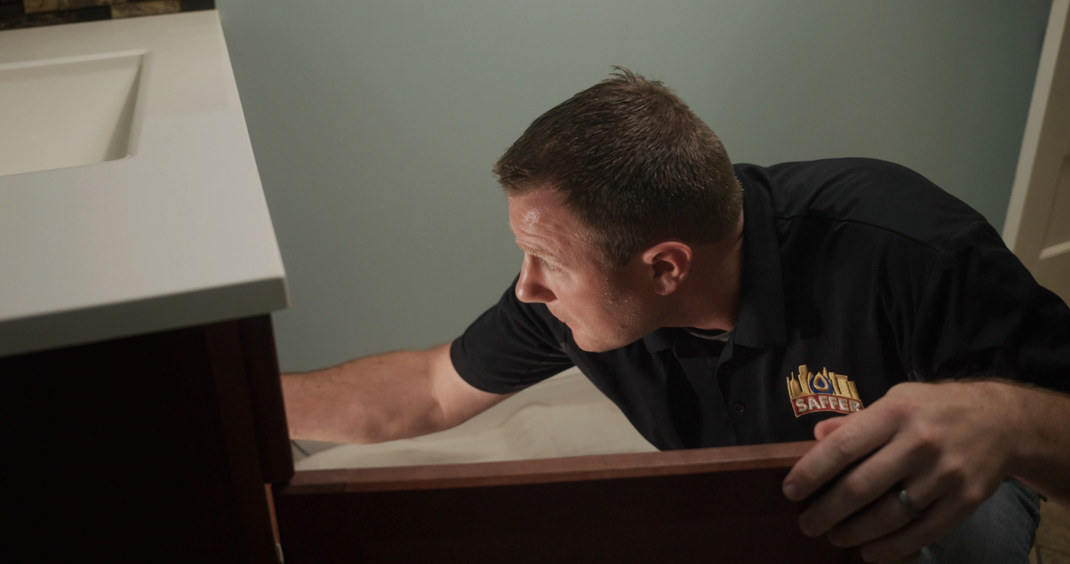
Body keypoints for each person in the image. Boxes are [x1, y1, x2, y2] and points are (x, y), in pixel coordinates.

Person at [283, 68, 1070, 563]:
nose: (527, 288)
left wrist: (1006, 420)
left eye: (551, 263)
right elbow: (425, 388)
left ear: (665, 267)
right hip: (778, 508)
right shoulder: (566, 301)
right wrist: (230, 412)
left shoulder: (908, 250)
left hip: (959, 491)